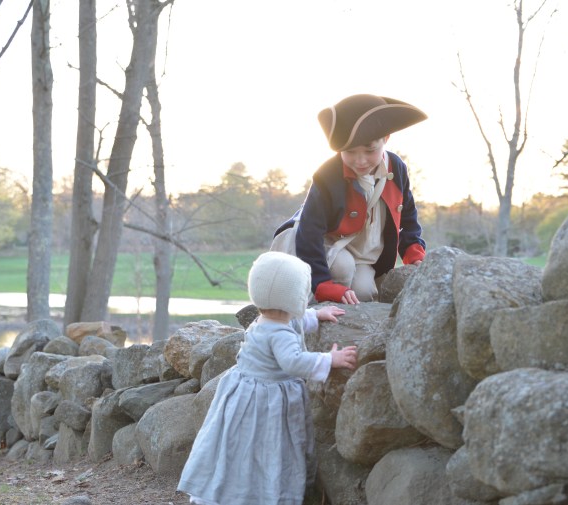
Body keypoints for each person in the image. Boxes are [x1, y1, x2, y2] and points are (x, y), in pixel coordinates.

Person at [177, 251, 358, 505]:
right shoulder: (278, 333)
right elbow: (293, 361)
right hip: (264, 401)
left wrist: (315, 316)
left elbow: (295, 320)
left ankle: (244, 489)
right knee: (266, 446)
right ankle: (262, 494)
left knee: (242, 448)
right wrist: (329, 359)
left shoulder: (270, 319)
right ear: (294, 298)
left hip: (248, 393)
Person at [271, 93, 427, 305]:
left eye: (369, 150)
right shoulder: (327, 175)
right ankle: (315, 318)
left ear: (386, 139)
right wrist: (322, 283)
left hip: (363, 252)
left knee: (363, 292)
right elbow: (310, 231)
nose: (360, 160)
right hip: (325, 245)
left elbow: (407, 215)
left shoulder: (397, 168)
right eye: (350, 152)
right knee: (342, 267)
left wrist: (413, 251)